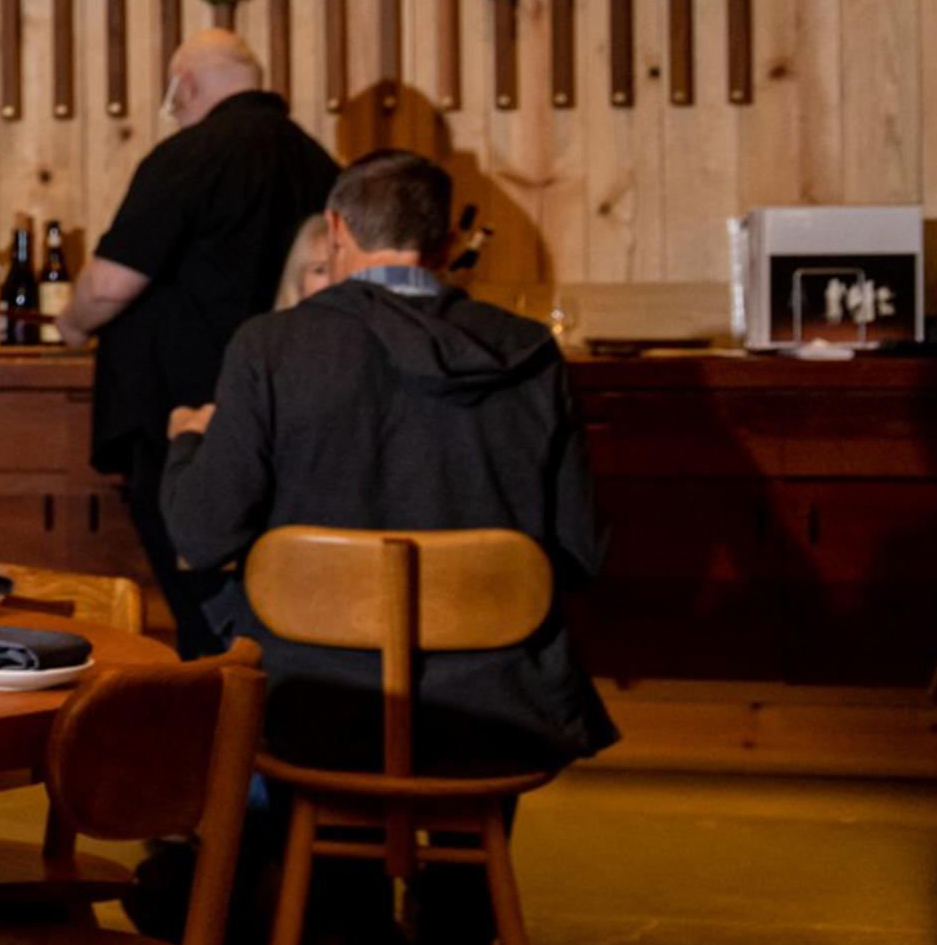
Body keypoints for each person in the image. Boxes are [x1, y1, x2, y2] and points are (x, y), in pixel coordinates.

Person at [160, 148, 615, 775]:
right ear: (449, 241)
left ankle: (314, 867)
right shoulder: (528, 350)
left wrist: (187, 442)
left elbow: (202, 533)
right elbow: (581, 552)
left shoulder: (273, 346)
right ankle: (462, 878)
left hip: (312, 702)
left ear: (338, 228)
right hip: (497, 705)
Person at [59, 29, 337, 653]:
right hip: (288, 407)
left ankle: (221, 719)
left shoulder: (190, 155)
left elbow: (107, 285)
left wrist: (71, 326)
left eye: (173, 95)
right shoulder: (321, 164)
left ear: (184, 85)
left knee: (196, 588)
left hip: (180, 410)